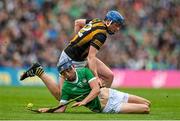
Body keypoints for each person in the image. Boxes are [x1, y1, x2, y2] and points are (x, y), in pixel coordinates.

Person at [20, 10, 126, 100]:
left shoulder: (97, 21)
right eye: (116, 25)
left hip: (81, 58)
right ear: (108, 22)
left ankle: (98, 101)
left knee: (109, 76)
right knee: (61, 96)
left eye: (119, 26)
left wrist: (78, 40)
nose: (117, 29)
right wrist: (96, 77)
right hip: (69, 60)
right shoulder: (101, 35)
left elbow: (77, 22)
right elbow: (91, 57)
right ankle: (38, 71)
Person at [20, 59, 151, 114]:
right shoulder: (66, 88)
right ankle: (38, 71)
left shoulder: (84, 71)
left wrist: (84, 102)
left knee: (147, 103)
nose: (67, 74)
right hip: (109, 107)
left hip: (112, 94)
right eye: (63, 73)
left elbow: (95, 89)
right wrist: (48, 110)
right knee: (145, 109)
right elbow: (61, 109)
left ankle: (38, 71)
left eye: (68, 70)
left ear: (72, 67)